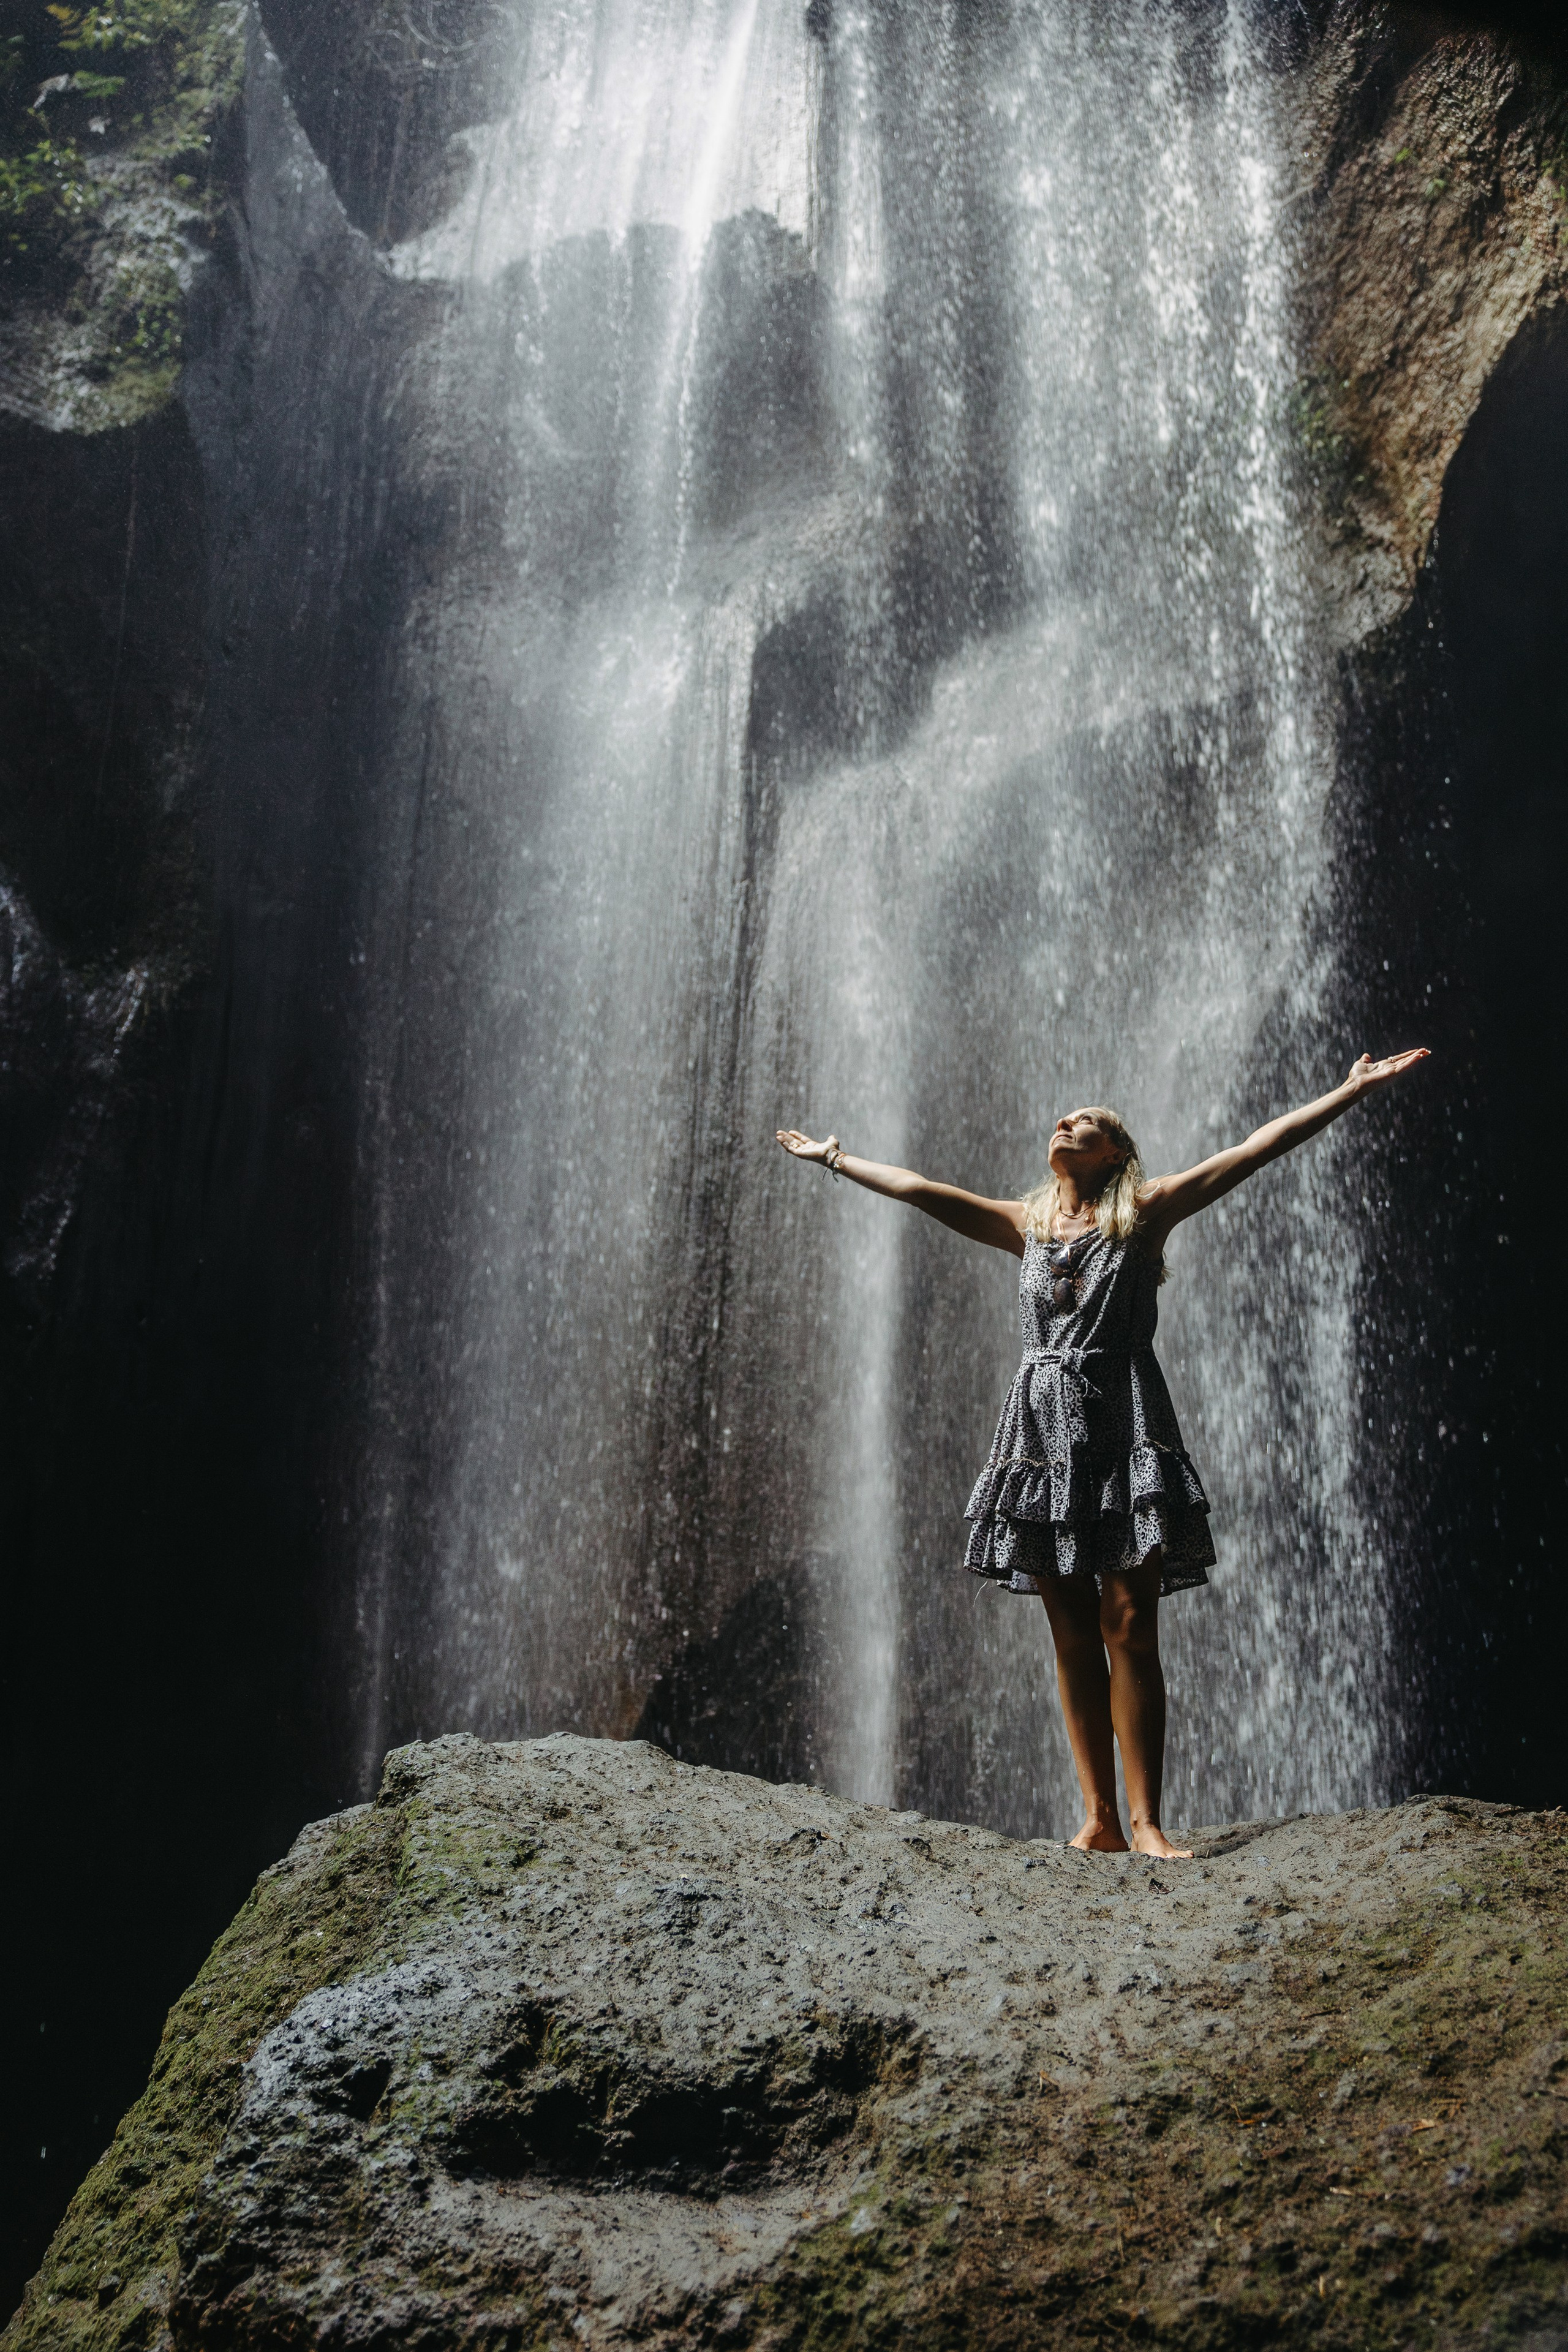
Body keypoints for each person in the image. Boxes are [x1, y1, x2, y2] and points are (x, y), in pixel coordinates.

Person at [775, 1048, 1428, 1860]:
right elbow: (920, 1191)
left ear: (1117, 1152)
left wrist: (1349, 1090)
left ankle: (1149, 1821)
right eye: (1063, 1117)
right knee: (1071, 1630)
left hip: (1122, 1417)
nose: (1067, 1122)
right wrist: (834, 1157)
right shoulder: (1027, 1222)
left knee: (1130, 1622)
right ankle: (1098, 1819)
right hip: (1041, 1434)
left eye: (1088, 1122)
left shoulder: (1144, 1212)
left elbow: (1254, 1151)